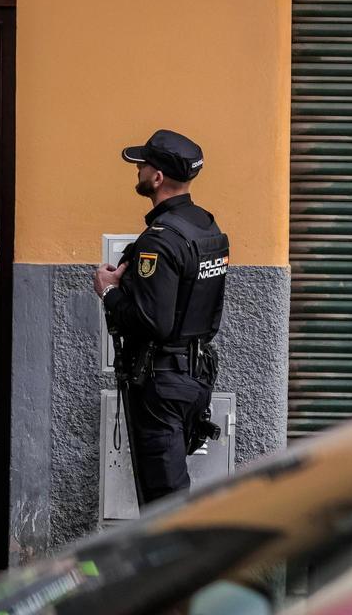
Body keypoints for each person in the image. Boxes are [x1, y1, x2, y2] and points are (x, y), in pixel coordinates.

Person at [93, 129, 229, 505]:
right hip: (194, 374)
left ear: (157, 178)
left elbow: (154, 322)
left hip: (162, 383)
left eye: (143, 164)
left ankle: (178, 565)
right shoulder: (207, 226)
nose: (137, 169)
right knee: (167, 489)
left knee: (164, 497)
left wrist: (108, 290)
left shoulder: (160, 238)